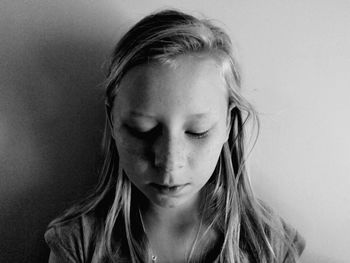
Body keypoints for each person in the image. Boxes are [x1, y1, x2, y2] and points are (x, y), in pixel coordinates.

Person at [45, 9, 305, 263]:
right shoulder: (78, 244)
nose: (170, 162)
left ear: (229, 122)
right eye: (142, 130)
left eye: (197, 132)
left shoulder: (270, 245)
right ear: (112, 120)